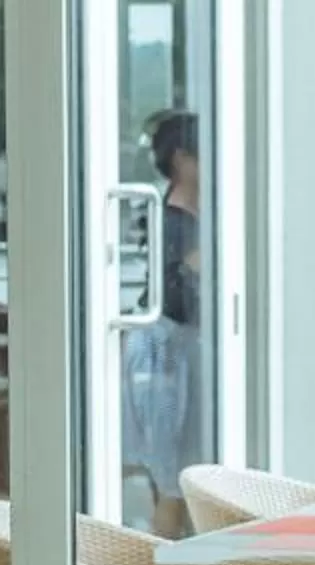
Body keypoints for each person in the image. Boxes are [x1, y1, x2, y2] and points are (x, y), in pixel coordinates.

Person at [125, 108, 207, 537]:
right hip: (168, 359)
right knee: (173, 481)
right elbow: (184, 287)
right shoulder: (176, 223)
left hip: (176, 356)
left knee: (177, 480)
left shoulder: (179, 218)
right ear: (182, 159)